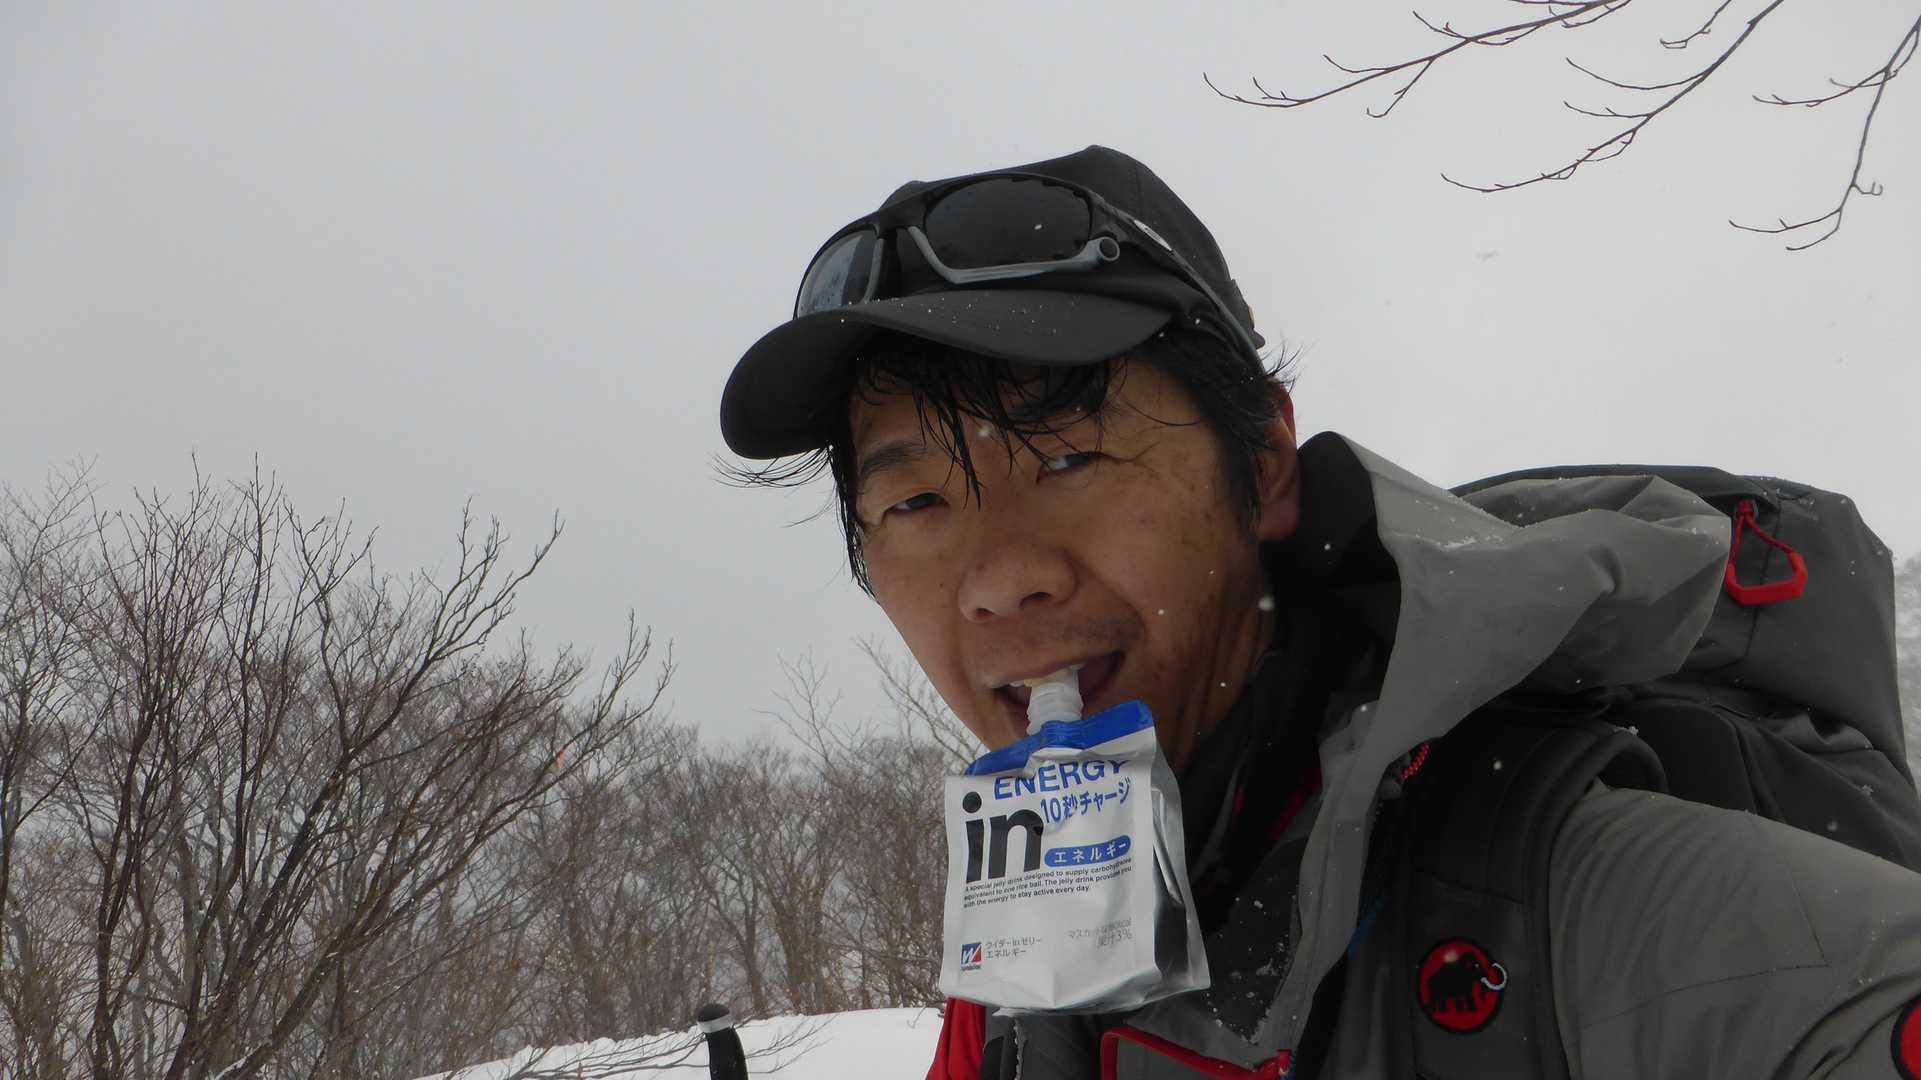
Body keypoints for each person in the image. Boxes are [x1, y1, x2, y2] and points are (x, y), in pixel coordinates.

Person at [718, 145, 1921, 1079]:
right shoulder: (1016, 986)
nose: (996, 577)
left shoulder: (1578, 895)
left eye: (1072, 457)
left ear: (1265, 465)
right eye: (917, 501)